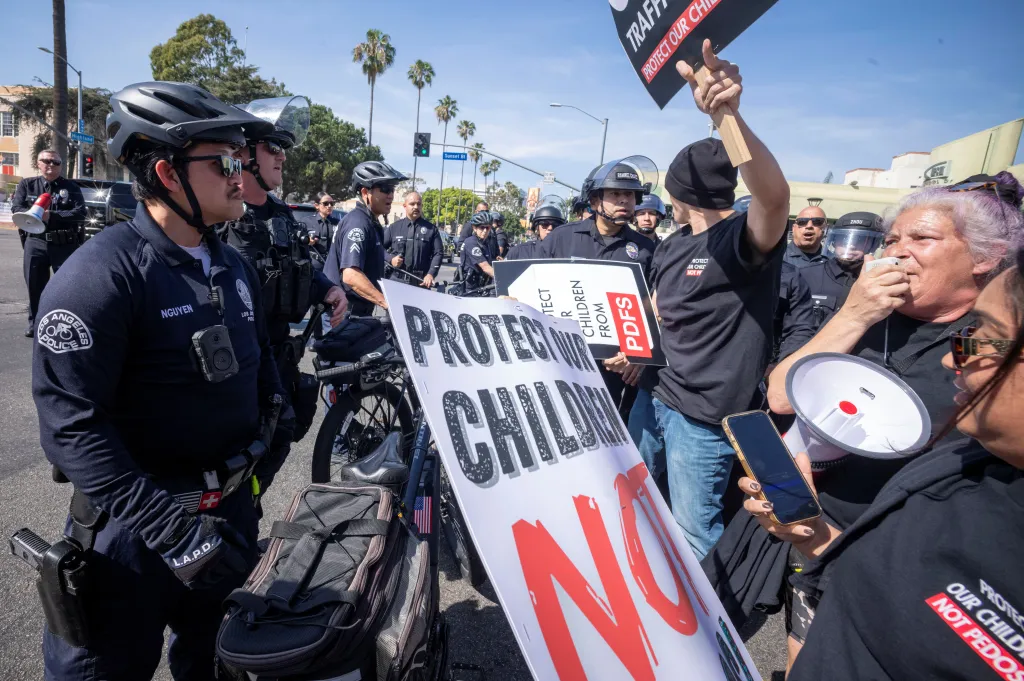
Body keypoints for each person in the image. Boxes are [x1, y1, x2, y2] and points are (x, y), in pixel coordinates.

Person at [32, 81, 290, 680]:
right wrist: (172, 531)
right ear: (169, 174)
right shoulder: (97, 278)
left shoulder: (233, 264)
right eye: (224, 160)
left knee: (218, 666)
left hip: (226, 520)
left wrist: (276, 414)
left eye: (241, 159)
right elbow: (71, 429)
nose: (240, 173)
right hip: (134, 538)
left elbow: (259, 356)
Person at [763, 179, 1023, 666]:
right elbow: (781, 395)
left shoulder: (976, 339)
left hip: (900, 555)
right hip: (813, 528)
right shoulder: (872, 314)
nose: (898, 252)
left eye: (920, 239)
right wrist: (855, 314)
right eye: (891, 240)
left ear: (985, 257)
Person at [627, 41, 791, 560]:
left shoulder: (741, 241)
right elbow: (658, 309)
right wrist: (631, 347)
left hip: (703, 419)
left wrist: (728, 119)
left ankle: (707, 636)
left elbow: (773, 198)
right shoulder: (672, 243)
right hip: (654, 394)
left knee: (695, 532)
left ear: (680, 195)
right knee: (631, 495)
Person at [218, 95, 346, 445]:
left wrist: (328, 289)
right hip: (236, 366)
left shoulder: (280, 213)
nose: (283, 155)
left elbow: (299, 263)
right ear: (243, 153)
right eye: (273, 145)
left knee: (280, 438)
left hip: (277, 358)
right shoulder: (219, 215)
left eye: (284, 147)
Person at [538, 157, 657, 420]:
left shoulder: (647, 250)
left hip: (613, 369)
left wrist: (638, 356)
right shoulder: (562, 239)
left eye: (630, 194)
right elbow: (532, 291)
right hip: (560, 361)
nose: (625, 200)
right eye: (615, 194)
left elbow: (653, 311)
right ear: (594, 201)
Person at [12, 149, 86, 337]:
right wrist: (33, 214)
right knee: (35, 286)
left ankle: (67, 323)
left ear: (61, 166)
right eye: (46, 161)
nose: (51, 165)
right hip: (35, 243)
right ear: (38, 163)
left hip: (64, 244)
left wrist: (50, 216)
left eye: (56, 162)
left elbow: (80, 213)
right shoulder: (27, 185)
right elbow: (17, 208)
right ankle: (36, 324)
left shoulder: (71, 187)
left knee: (66, 287)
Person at [324, 160, 406, 315]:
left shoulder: (370, 222)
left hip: (357, 312)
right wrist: (386, 303)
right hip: (343, 313)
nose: (390, 195)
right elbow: (351, 275)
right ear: (364, 193)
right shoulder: (358, 223)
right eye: (385, 189)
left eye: (392, 189)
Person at [799, 211, 884, 327]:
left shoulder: (879, 280)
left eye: (860, 240)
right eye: (844, 238)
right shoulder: (806, 275)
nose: (852, 245)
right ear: (833, 241)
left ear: (873, 245)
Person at [384, 191, 443, 287]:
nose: (416, 207)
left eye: (419, 204)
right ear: (405, 206)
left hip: (420, 282)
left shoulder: (431, 229)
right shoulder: (394, 227)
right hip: (397, 280)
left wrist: (431, 274)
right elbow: (379, 248)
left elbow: (438, 253)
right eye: (412, 204)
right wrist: (391, 259)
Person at [299, 191, 339, 268]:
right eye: (326, 203)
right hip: (313, 265)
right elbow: (298, 243)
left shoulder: (338, 223)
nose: (329, 206)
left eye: (332, 203)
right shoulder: (306, 222)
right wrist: (307, 241)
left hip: (332, 265)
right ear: (317, 205)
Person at [460, 210, 496, 290]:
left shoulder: (485, 242)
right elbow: (485, 267)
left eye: (487, 227)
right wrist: (503, 278)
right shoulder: (471, 242)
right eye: (482, 227)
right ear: (474, 228)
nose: (485, 231)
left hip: (481, 286)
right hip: (469, 288)